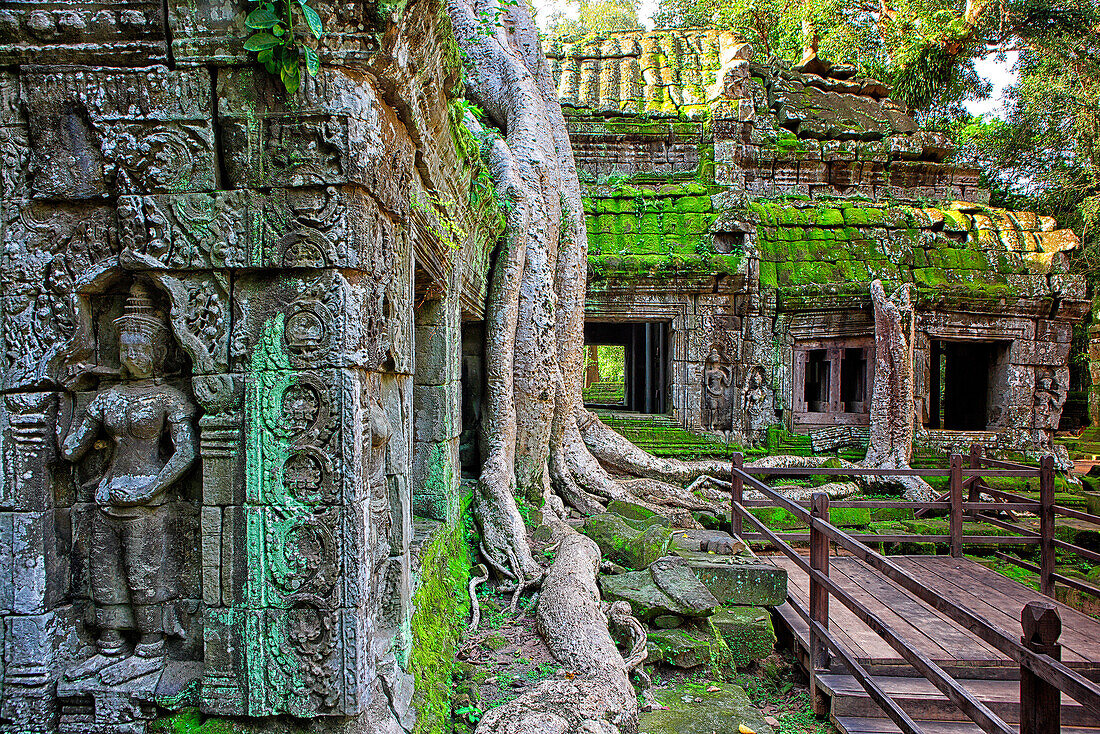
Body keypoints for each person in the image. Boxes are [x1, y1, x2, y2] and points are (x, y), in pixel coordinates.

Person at [58, 282, 197, 685]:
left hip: (147, 501)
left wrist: (150, 488)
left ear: (157, 352)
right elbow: (70, 450)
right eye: (125, 348)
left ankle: (150, 648)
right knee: (104, 574)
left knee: (144, 575)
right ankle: (110, 646)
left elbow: (185, 453)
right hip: (107, 497)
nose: (131, 355)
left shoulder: (168, 398)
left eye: (140, 348)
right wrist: (64, 400)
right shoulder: (107, 398)